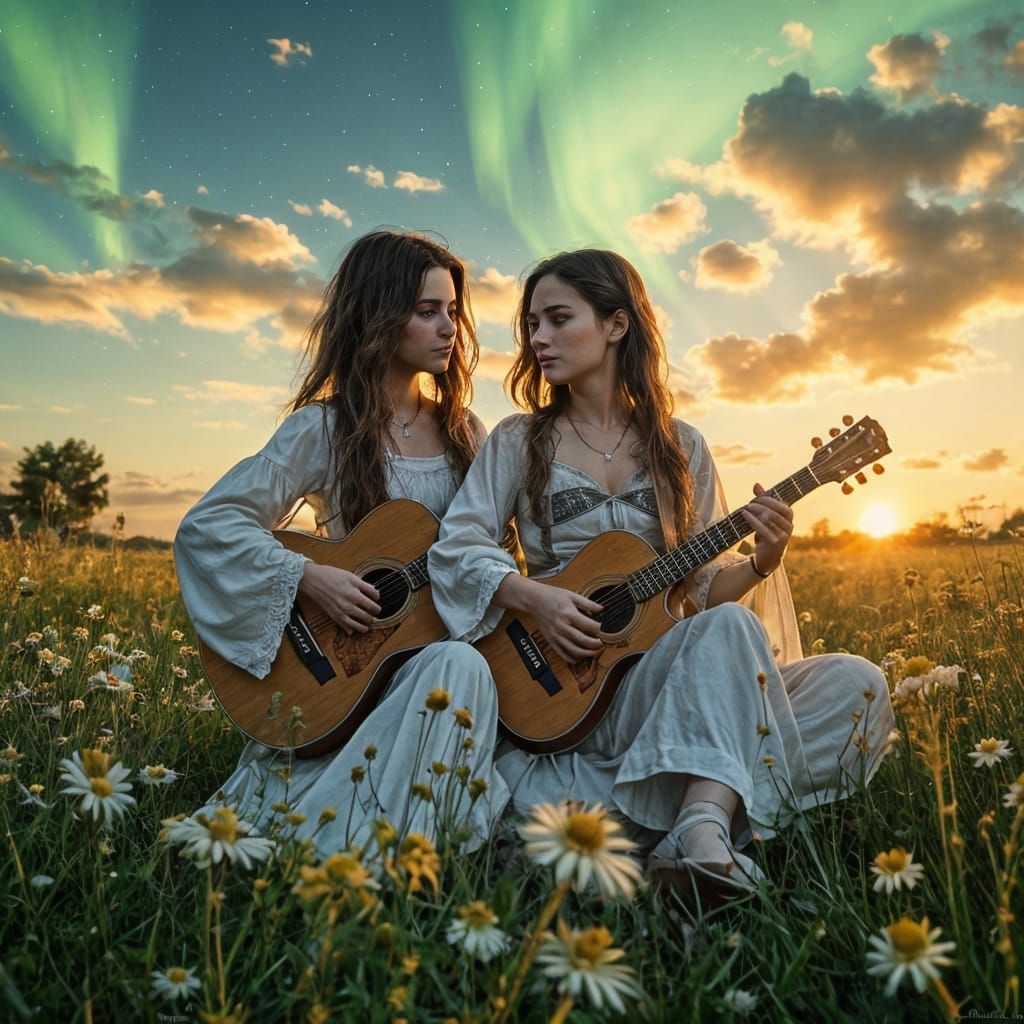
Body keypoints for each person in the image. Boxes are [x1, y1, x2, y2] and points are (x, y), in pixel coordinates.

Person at [428, 248, 894, 902]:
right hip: (575, 694)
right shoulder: (518, 440)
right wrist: (536, 599)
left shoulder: (684, 447)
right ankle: (705, 827)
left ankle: (683, 827)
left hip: (669, 672)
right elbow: (457, 547)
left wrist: (764, 558)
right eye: (532, 324)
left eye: (559, 319)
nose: (538, 339)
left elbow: (704, 591)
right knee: (731, 632)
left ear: (617, 325)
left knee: (859, 686)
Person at [173, 229, 509, 857]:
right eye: (427, 311)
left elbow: (494, 556)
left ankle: (406, 857)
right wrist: (308, 575)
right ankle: (384, 859)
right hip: (345, 673)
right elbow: (209, 526)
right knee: (457, 669)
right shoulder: (322, 429)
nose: (448, 330)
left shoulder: (469, 434)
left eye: (453, 313)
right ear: (380, 317)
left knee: (459, 664)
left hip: (439, 653)